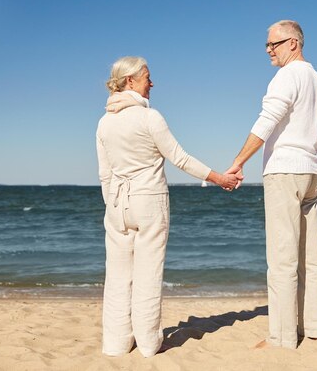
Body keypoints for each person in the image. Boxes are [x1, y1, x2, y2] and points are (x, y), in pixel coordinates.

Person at [96, 56, 239, 357]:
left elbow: (105, 174)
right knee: (148, 275)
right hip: (148, 202)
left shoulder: (104, 122)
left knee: (118, 277)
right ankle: (148, 345)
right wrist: (220, 179)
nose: (152, 82)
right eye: (147, 77)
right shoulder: (150, 118)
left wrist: (112, 205)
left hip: (117, 205)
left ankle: (116, 344)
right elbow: (180, 158)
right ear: (130, 81)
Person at [227, 20, 317, 349]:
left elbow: (266, 121)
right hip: (311, 171)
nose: (269, 49)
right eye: (267, 44)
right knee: (310, 258)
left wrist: (239, 161)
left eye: (275, 43)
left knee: (282, 259)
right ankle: (314, 328)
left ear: (294, 43)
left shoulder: (288, 76)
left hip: (285, 171)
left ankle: (282, 338)